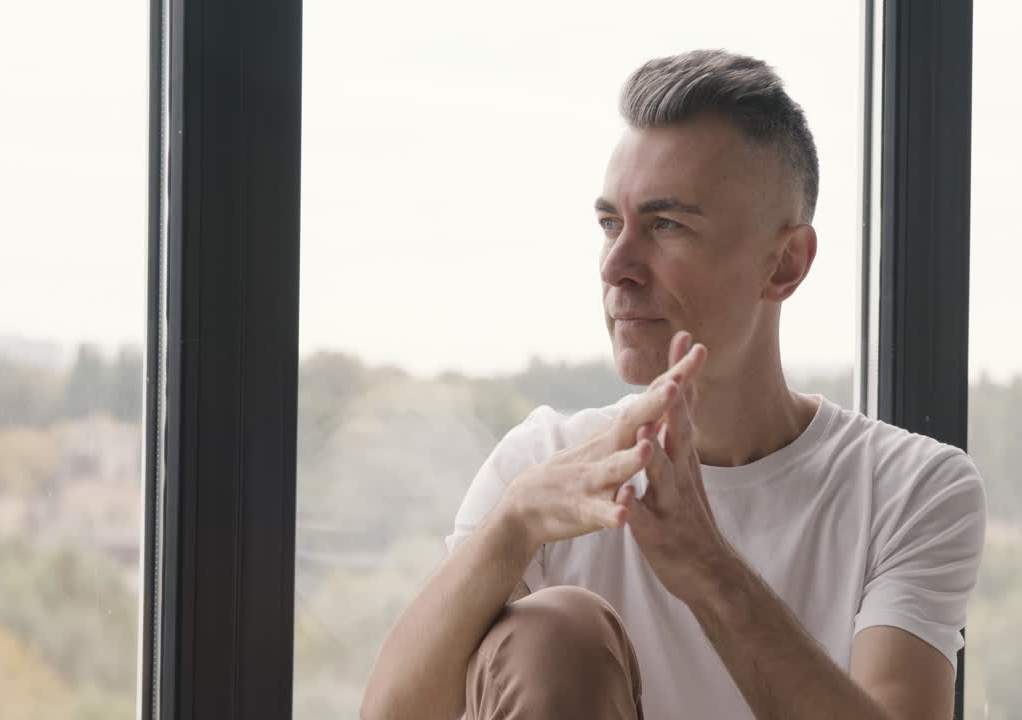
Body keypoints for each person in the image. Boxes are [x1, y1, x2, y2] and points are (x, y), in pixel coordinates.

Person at [360, 49, 986, 720]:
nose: (616, 265)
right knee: (553, 633)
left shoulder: (912, 489)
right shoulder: (544, 467)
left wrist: (710, 570)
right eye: (610, 224)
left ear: (784, 263)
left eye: (665, 225)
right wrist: (512, 523)